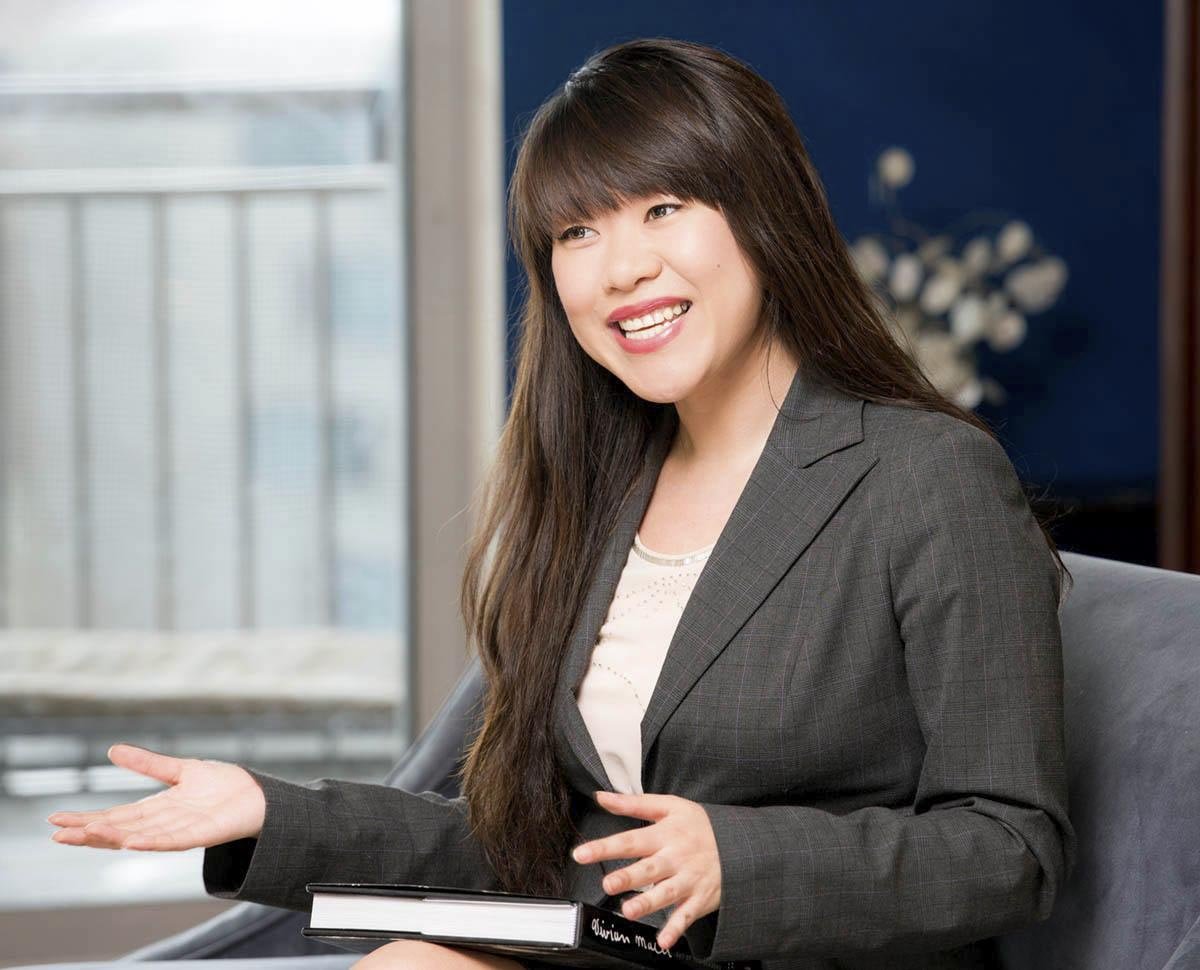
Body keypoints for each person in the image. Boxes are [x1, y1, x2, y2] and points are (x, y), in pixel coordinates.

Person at [48, 38, 1075, 970]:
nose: (623, 268)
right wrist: (264, 813)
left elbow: (1012, 847)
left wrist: (741, 859)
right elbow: (525, 845)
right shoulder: (600, 492)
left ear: (763, 211)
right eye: (578, 231)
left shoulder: (923, 474)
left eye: (664, 209)